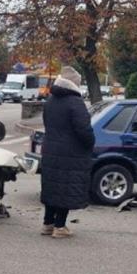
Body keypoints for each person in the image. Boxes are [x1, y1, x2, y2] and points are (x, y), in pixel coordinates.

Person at [40, 66, 95, 239]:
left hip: (50, 150)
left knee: (52, 188)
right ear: (74, 84)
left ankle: (47, 224)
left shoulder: (50, 100)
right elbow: (84, 130)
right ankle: (60, 227)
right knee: (65, 188)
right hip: (70, 153)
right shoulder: (75, 103)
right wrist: (90, 143)